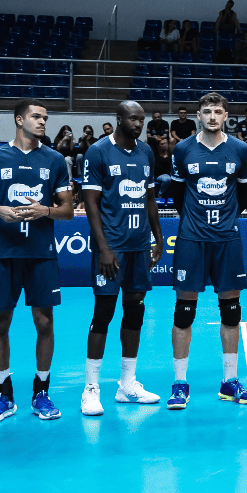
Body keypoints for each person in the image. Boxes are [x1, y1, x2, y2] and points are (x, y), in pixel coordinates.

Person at [0, 99, 73, 423]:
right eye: (36, 116)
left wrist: (45, 210)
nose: (43, 121)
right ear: (19, 119)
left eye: (45, 117)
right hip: (2, 253)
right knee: (0, 323)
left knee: (45, 323)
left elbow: (68, 210)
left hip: (41, 253)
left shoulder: (55, 160)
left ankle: (41, 391)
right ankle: (4, 394)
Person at [164, 93, 247, 410]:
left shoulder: (240, 150)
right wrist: (194, 221)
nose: (213, 116)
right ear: (198, 116)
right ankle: (180, 383)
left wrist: (227, 220)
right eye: (207, 111)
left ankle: (230, 382)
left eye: (218, 111)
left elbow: (243, 194)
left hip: (227, 238)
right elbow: (178, 195)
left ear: (226, 115)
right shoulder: (183, 149)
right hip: (191, 237)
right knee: (184, 310)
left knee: (231, 310)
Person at [79, 102, 165, 415]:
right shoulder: (98, 152)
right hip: (112, 248)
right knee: (103, 311)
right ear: (119, 119)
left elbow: (150, 198)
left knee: (134, 311)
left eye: (142, 118)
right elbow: (90, 203)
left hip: (139, 246)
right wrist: (103, 248)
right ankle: (90, 389)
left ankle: (127, 384)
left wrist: (158, 237)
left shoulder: (146, 152)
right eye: (133, 117)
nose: (138, 122)